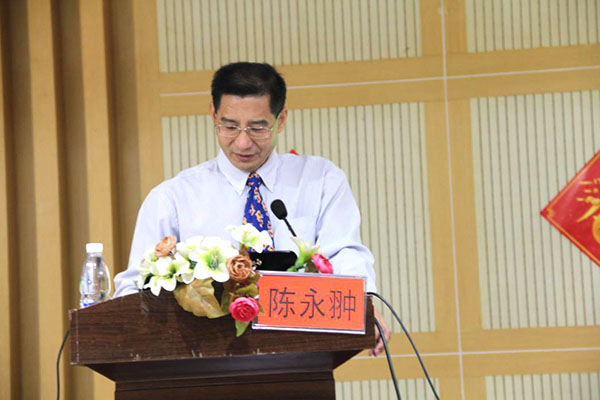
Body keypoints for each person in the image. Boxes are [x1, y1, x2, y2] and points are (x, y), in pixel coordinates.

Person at [113, 62, 390, 356]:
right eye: (229, 126)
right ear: (213, 115)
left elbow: (344, 253)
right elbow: (135, 286)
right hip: (203, 359)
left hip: (303, 354)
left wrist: (364, 304)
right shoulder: (173, 198)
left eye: (258, 127)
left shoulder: (320, 180)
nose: (243, 142)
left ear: (281, 120)